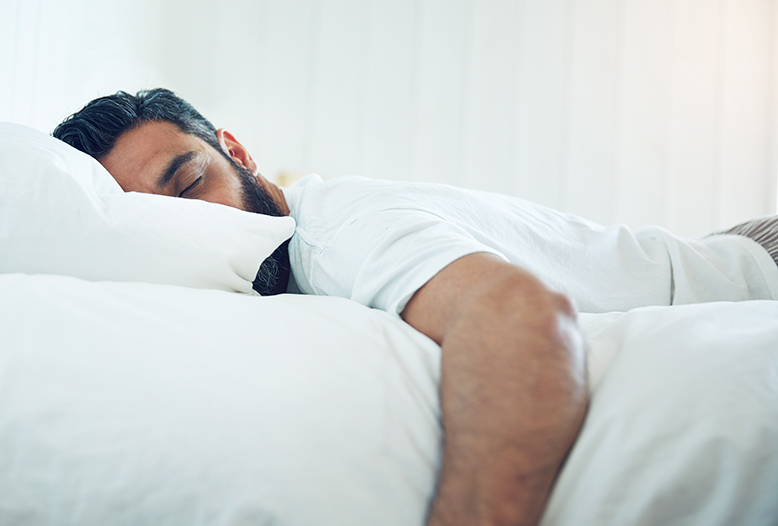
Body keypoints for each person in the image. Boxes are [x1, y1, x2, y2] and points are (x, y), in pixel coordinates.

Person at [53, 88, 778, 526]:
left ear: (236, 150)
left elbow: (523, 318)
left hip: (757, 268)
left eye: (189, 186)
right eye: (162, 223)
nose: (198, 226)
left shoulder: (334, 233)